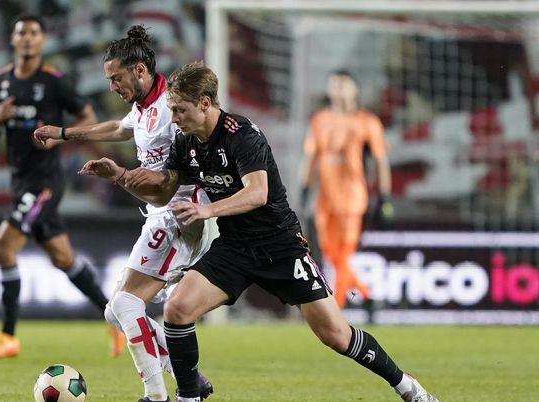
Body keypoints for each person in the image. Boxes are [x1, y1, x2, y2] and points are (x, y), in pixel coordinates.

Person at [79, 62, 438, 402]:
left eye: (180, 110)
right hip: (235, 247)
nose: (174, 119)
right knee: (177, 308)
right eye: (171, 110)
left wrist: (208, 209)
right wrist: (121, 176)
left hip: (281, 246)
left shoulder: (242, 134)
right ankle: (188, 396)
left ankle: (407, 386)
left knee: (336, 335)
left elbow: (257, 193)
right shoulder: (185, 142)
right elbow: (162, 191)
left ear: (205, 104)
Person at [33, 26, 215, 402]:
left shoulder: (171, 106)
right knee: (117, 313)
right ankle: (190, 378)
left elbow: (178, 172)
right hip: (161, 212)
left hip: (179, 212)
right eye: (109, 79)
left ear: (141, 71)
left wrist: (121, 177)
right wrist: (64, 133)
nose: (113, 86)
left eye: (117, 78)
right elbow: (119, 126)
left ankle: (157, 394)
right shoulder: (145, 106)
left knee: (123, 304)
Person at [0, 13, 117, 359]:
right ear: (12, 40)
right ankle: (117, 319)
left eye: (34, 33)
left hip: (44, 181)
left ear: (42, 41)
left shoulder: (54, 81)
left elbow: (89, 118)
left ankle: (8, 337)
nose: (27, 38)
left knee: (3, 248)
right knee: (63, 258)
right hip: (20, 178)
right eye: (21, 32)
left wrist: (58, 139)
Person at [298, 69, 394, 309]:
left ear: (355, 89)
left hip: (353, 198)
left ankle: (336, 308)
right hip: (325, 198)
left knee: (344, 254)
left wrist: (384, 197)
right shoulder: (319, 120)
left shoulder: (367, 122)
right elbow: (311, 158)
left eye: (343, 84)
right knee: (332, 254)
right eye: (334, 84)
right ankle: (366, 295)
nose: (338, 88)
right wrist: (303, 189)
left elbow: (381, 160)